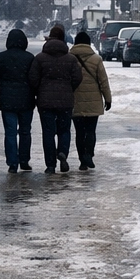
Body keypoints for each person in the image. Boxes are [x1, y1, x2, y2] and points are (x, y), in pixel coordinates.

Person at [28, 23, 81, 173]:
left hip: (45, 101)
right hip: (65, 101)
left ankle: (50, 165)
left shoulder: (39, 58)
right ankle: (63, 151)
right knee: (64, 129)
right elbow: (78, 77)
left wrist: (40, 89)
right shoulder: (71, 59)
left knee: (48, 132)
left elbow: (33, 79)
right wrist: (69, 88)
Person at [0, 27, 36, 173]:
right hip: (26, 99)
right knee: (25, 131)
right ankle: (24, 160)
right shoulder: (29, 58)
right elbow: (34, 79)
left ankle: (12, 162)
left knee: (10, 132)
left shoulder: (0, 57)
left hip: (7, 100)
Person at [69, 30, 112, 171]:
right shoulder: (96, 59)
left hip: (75, 101)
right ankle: (89, 154)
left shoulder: (69, 58)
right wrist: (108, 99)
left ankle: (82, 160)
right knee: (91, 131)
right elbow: (103, 81)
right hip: (93, 100)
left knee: (79, 132)